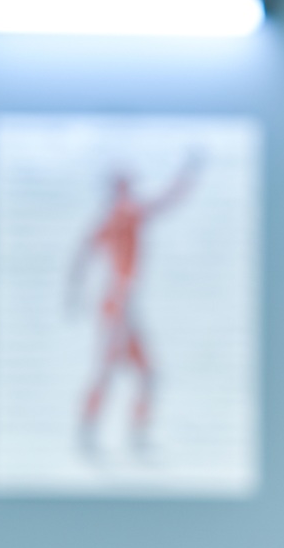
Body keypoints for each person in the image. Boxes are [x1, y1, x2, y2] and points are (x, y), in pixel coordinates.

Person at [66, 154, 200, 451]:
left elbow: (82, 254)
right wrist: (187, 176)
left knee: (146, 374)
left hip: (124, 305)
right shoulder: (125, 214)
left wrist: (74, 292)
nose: (132, 192)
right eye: (127, 186)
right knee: (108, 370)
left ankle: (134, 435)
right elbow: (164, 201)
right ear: (120, 188)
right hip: (118, 305)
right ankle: (88, 431)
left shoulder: (110, 219)